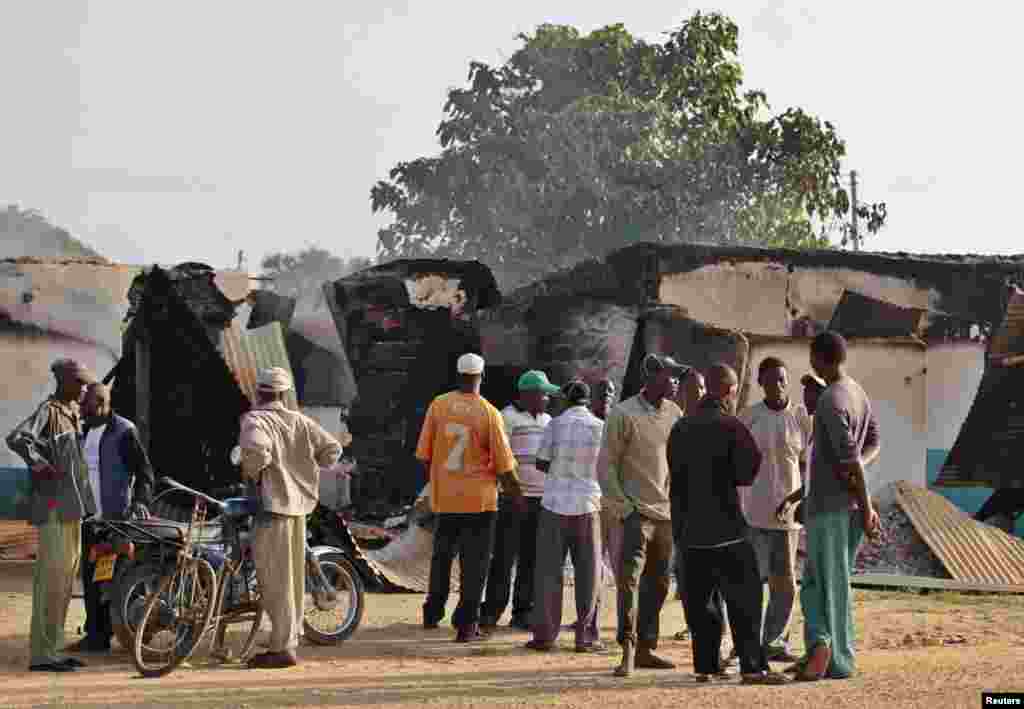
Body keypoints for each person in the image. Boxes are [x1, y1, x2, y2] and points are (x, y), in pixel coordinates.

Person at [668, 363, 787, 685]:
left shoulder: (680, 428)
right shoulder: (732, 426)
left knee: (701, 604)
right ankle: (752, 667)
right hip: (729, 531)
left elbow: (674, 480)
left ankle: (706, 666)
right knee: (745, 601)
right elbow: (747, 473)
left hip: (690, 534)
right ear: (729, 392)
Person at [238, 367, 343, 669]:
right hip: (299, 510)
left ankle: (282, 647)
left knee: (275, 582)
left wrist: (255, 471)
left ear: (258, 392)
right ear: (284, 394)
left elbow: (257, 451)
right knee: (293, 580)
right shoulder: (301, 421)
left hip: (272, 509)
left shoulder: (255, 420)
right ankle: (288, 637)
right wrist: (309, 467)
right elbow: (331, 449)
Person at [417, 353, 523, 643]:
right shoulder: (489, 413)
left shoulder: (438, 406)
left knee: (441, 557)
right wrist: (518, 495)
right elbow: (504, 467)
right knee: (474, 564)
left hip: (446, 498)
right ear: (481, 376)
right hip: (479, 501)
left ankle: (432, 612)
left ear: (457, 374)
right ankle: (466, 625)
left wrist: (439, 480)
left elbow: (424, 455)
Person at [793, 332, 881, 681]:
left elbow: (853, 462)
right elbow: (873, 444)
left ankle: (825, 649)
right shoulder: (857, 392)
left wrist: (867, 504)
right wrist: (863, 503)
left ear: (818, 358)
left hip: (832, 507)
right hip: (845, 508)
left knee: (817, 584)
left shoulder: (830, 399)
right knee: (836, 582)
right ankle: (833, 655)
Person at [6, 358, 98, 672]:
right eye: (80, 383)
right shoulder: (49, 411)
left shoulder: (72, 414)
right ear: (64, 382)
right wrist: (41, 465)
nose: (84, 388)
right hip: (54, 508)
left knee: (63, 581)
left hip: (72, 507)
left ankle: (55, 648)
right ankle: (42, 654)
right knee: (49, 581)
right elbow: (18, 438)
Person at [601, 354, 685, 677]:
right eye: (670, 375)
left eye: (677, 377)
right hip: (635, 514)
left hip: (665, 515)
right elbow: (606, 465)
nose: (675, 381)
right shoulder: (623, 413)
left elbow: (678, 465)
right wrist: (625, 509)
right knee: (629, 583)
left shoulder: (675, 414)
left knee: (660, 583)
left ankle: (648, 648)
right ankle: (628, 650)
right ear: (651, 376)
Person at [69, 382, 155, 654]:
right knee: (93, 580)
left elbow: (144, 473)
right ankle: (96, 636)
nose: (81, 410)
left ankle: (137, 634)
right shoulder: (82, 432)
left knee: (124, 580)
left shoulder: (123, 431)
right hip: (89, 520)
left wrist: (140, 501)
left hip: (117, 521)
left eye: (86, 405)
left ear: (101, 403)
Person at [737, 358, 812, 664]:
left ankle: (774, 641)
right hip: (753, 513)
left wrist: (800, 500)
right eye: (770, 381)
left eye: (782, 380)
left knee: (784, 582)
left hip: (788, 519)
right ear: (760, 384)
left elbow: (808, 464)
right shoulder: (748, 417)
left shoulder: (801, 416)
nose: (777, 386)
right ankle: (747, 642)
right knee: (751, 583)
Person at [526, 380, 605, 653]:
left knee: (549, 573)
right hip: (588, 504)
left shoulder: (554, 424)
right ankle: (585, 638)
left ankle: (545, 636)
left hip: (555, 504)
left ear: (567, 400)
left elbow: (541, 462)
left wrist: (562, 466)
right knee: (589, 573)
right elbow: (605, 466)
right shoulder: (599, 427)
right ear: (587, 400)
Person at [480, 370, 560, 632]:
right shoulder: (507, 417)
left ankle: (523, 612)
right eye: (544, 393)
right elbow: (499, 459)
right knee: (503, 558)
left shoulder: (549, 420)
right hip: (513, 500)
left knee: (531, 559)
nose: (548, 398)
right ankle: (491, 612)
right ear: (529, 394)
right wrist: (512, 493)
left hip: (541, 500)